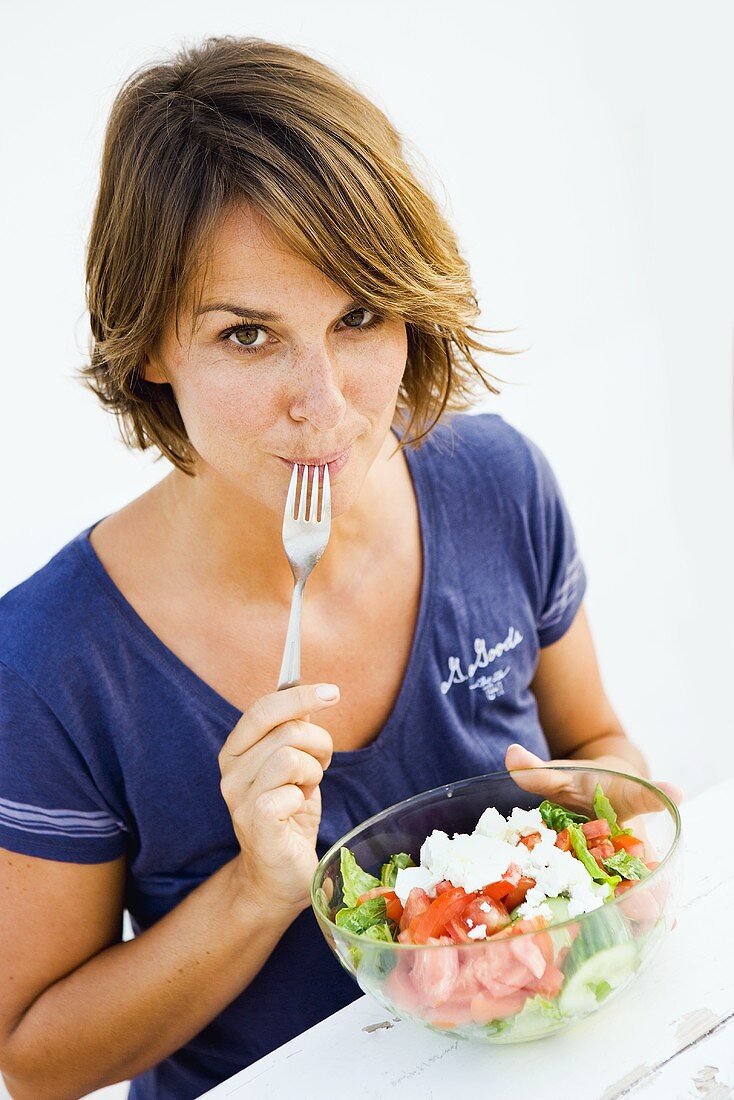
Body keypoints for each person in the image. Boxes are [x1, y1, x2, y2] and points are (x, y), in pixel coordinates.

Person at [0, 35, 683, 1100]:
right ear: (146, 343)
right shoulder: (50, 659)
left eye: (359, 316)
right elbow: (36, 1058)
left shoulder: (495, 484)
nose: (323, 406)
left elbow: (594, 742)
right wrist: (256, 888)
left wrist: (604, 806)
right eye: (246, 336)